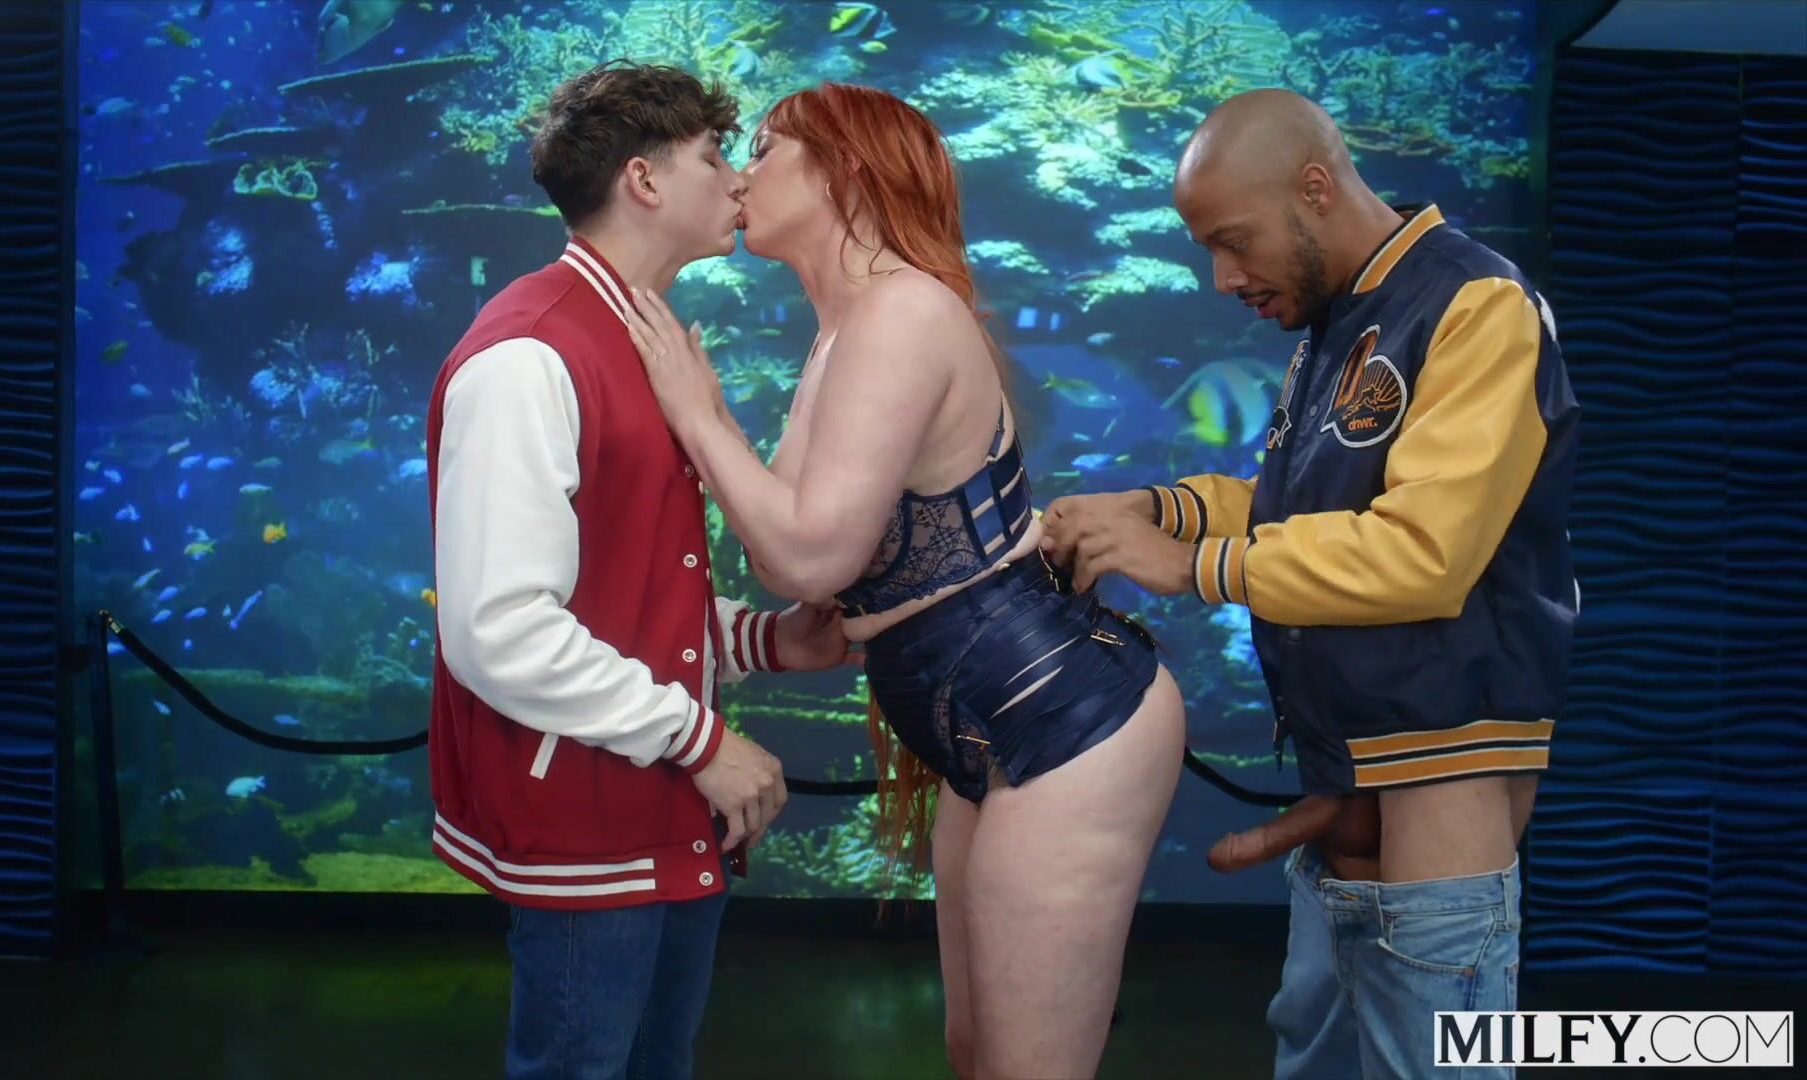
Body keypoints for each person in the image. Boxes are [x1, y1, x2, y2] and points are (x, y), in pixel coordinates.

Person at [624, 82, 1187, 1080]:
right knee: (977, 1051)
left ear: (843, 168)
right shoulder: (845, 328)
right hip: (982, 717)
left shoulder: (901, 311)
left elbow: (808, 559)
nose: (743, 174)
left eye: (767, 146)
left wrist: (698, 413)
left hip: (1063, 717)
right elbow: (789, 559)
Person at [1041, 88, 1580, 1079]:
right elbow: (1302, 505)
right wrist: (1157, 510)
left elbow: (1423, 554)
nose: (1221, 277)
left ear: (1316, 189)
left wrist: (1192, 566)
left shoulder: (1476, 303)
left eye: (1233, 241)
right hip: (1350, 790)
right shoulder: (1339, 323)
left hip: (1440, 783)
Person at [423, 61, 852, 1080]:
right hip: (588, 816)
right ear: (644, 180)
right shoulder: (529, 354)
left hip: (657, 804)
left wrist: (764, 641)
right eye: (713, 157)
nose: (738, 180)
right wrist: (703, 740)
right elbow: (499, 630)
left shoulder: (636, 333)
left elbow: (628, 582)